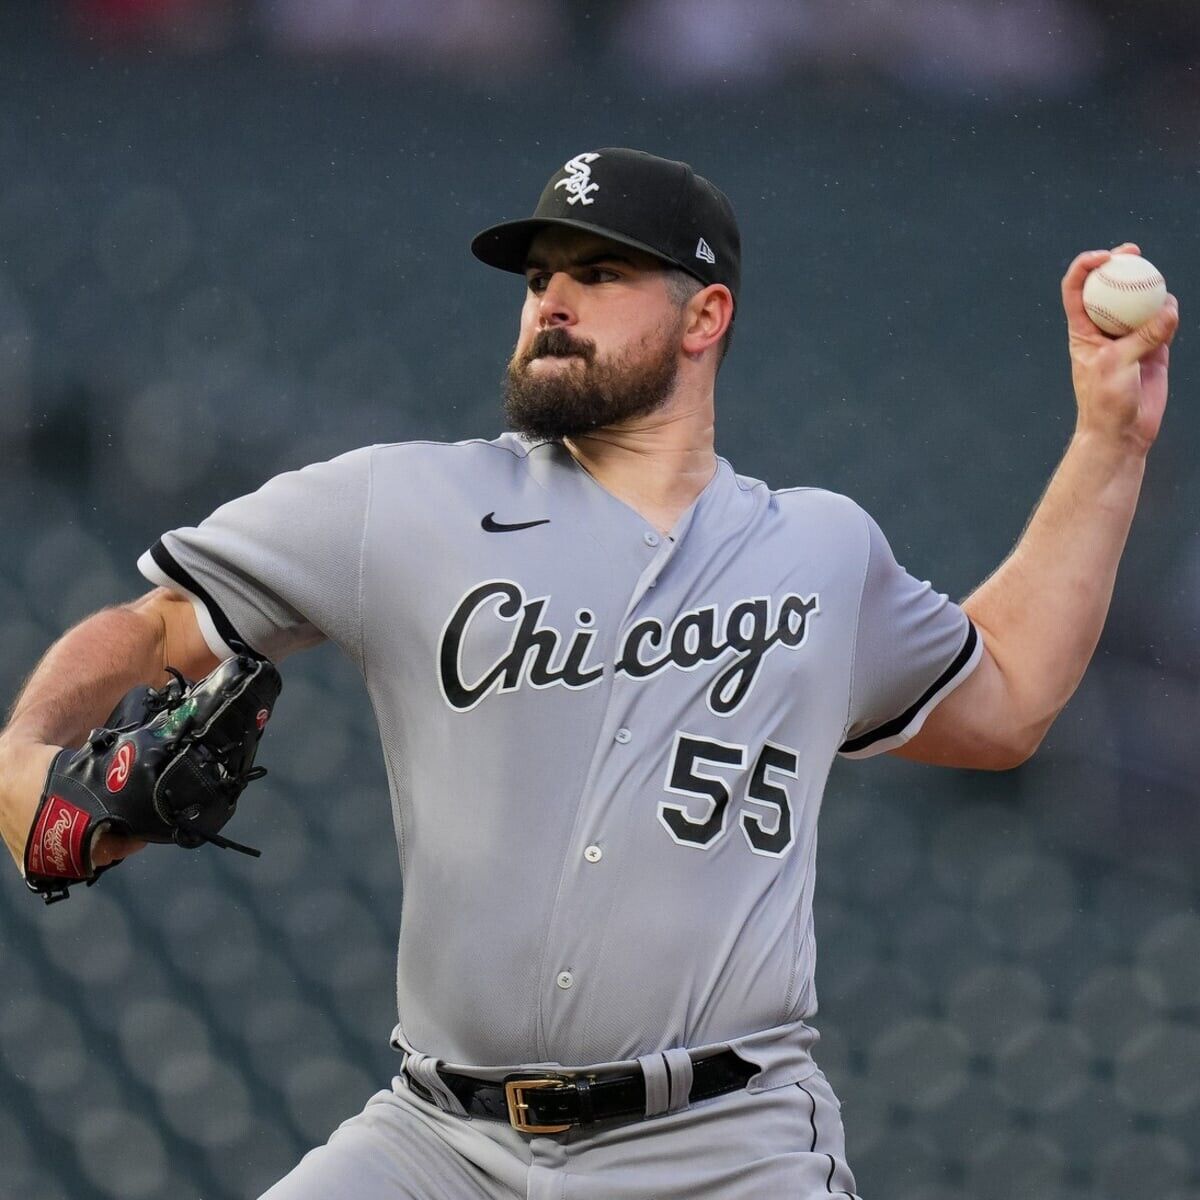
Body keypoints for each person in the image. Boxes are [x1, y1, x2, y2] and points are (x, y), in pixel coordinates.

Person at [0, 147, 1179, 1198]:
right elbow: (155, 629)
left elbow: (1011, 696)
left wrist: (1108, 442)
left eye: (600, 272)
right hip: (437, 1145)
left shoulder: (820, 551)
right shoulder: (401, 504)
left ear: (705, 312)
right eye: (536, 277)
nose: (551, 300)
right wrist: (28, 751)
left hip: (726, 1146)